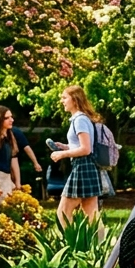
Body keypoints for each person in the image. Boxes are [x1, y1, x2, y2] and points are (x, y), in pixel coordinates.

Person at [50, 85, 100, 226]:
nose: (62, 101)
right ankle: (100, 247)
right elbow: (82, 146)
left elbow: (85, 149)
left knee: (63, 212)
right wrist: (66, 146)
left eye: (65, 97)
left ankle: (69, 245)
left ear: (75, 100)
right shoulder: (82, 119)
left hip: (82, 167)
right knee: (91, 215)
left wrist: (62, 154)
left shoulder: (80, 120)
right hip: (87, 166)